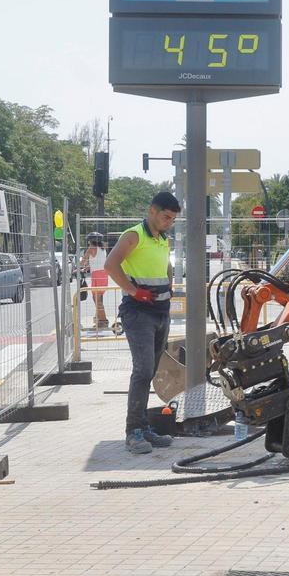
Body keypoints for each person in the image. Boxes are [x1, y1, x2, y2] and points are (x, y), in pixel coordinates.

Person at [105, 192, 181, 454]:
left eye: (172, 218)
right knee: (142, 370)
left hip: (160, 311)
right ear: (152, 211)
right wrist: (133, 290)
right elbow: (110, 264)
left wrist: (169, 285)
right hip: (138, 313)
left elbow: (166, 268)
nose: (169, 221)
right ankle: (133, 432)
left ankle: (143, 426)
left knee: (149, 372)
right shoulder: (133, 235)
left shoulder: (162, 239)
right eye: (165, 216)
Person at [81, 232, 109, 329]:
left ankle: (103, 321)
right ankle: (98, 319)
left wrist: (80, 266)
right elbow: (99, 261)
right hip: (104, 274)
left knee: (97, 300)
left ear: (90, 240)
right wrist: (88, 267)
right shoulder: (103, 248)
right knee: (97, 298)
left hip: (96, 275)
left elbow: (82, 261)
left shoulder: (91, 248)